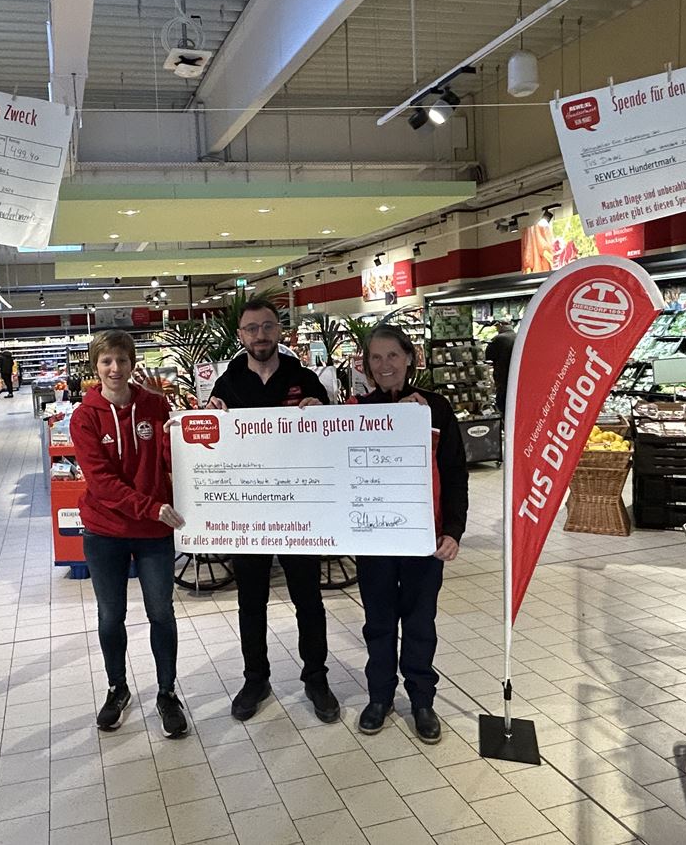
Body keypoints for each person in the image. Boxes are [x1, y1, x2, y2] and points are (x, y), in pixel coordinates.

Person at [206, 297, 340, 724]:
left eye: (267, 327)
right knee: (251, 601)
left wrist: (322, 414)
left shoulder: (306, 379)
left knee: (308, 599)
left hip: (300, 513)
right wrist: (211, 417)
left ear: (279, 331)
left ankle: (316, 677)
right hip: (250, 516)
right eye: (251, 329)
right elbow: (211, 443)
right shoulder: (226, 383)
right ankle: (255, 678)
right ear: (240, 335)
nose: (260, 336)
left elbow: (331, 438)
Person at [350, 325, 468, 743]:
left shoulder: (435, 408)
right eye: (376, 358)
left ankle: (422, 700)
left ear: (409, 358)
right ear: (366, 365)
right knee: (378, 623)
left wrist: (453, 530)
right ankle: (379, 697)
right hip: (375, 541)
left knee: (420, 622)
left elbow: (455, 473)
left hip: (424, 540)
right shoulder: (356, 412)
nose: (385, 365)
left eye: (392, 356)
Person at [70, 329, 189, 738]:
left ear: (132, 362)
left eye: (122, 360)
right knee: (110, 616)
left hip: (153, 531)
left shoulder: (155, 405)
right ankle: (117, 688)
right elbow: (101, 482)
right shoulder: (84, 417)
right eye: (107, 361)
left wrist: (179, 429)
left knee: (161, 613)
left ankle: (167, 692)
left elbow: (170, 459)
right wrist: (151, 506)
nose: (115, 368)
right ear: (96, 366)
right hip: (105, 531)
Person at [484, 321, 515, 415]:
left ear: (501, 326)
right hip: (517, 374)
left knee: (502, 399)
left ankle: (502, 418)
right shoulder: (518, 337)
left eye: (497, 327)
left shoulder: (498, 339)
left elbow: (488, 355)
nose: (496, 329)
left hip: (502, 374)